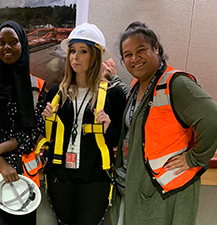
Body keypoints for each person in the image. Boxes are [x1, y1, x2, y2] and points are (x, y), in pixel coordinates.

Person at [110, 21, 217, 225]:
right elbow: (140, 113)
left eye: (141, 50)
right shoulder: (138, 86)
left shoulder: (176, 83)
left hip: (161, 191)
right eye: (128, 55)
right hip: (132, 186)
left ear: (156, 48)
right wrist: (113, 78)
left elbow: (214, 119)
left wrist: (194, 158)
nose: (134, 59)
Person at [41, 23, 126, 225]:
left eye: (82, 51)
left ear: (95, 56)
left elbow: (119, 139)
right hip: (60, 178)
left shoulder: (113, 94)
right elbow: (49, 139)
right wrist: (46, 122)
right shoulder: (56, 94)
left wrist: (107, 127)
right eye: (72, 51)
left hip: (95, 177)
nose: (75, 57)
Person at [0, 21, 46, 225]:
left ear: (22, 44)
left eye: (13, 42)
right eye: (1, 42)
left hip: (23, 179)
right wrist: (0, 162)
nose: (7, 47)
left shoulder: (37, 86)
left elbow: (34, 132)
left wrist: (0, 149)